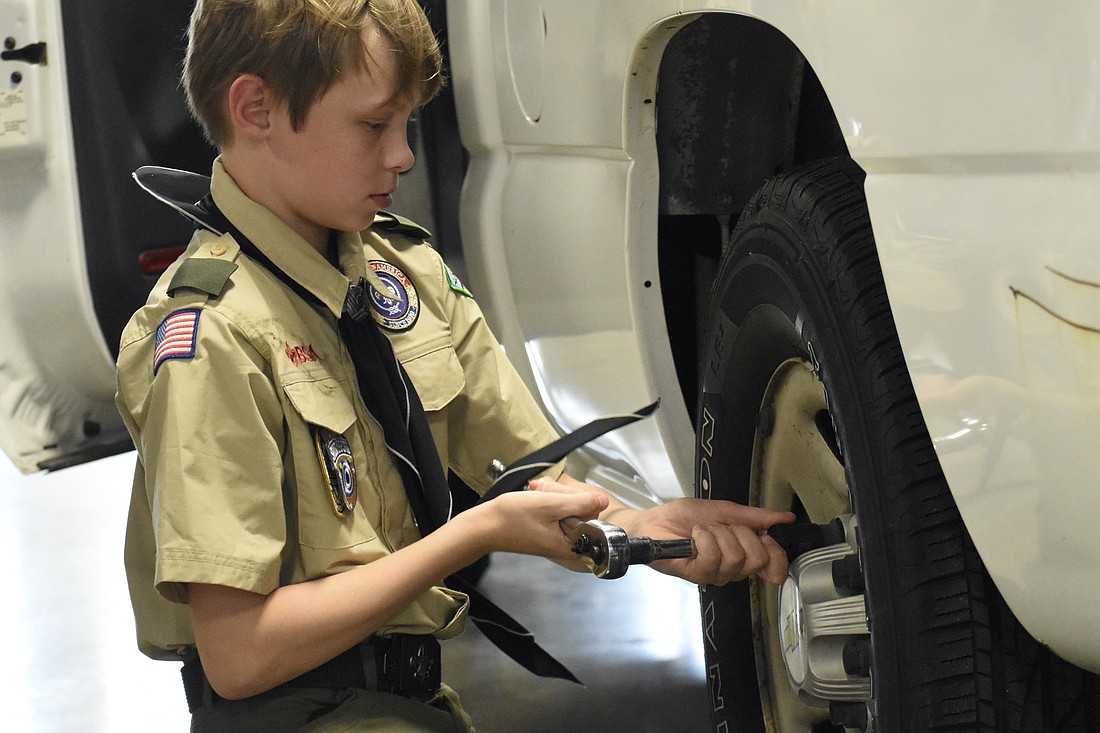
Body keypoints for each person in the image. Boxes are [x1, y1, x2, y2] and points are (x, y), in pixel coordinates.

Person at [115, 1, 794, 730]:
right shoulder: (210, 335)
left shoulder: (401, 276)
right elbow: (241, 654)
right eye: (375, 124)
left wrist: (641, 526)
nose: (404, 155)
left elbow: (526, 466)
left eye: (406, 123)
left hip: (414, 703)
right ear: (256, 109)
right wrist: (473, 535)